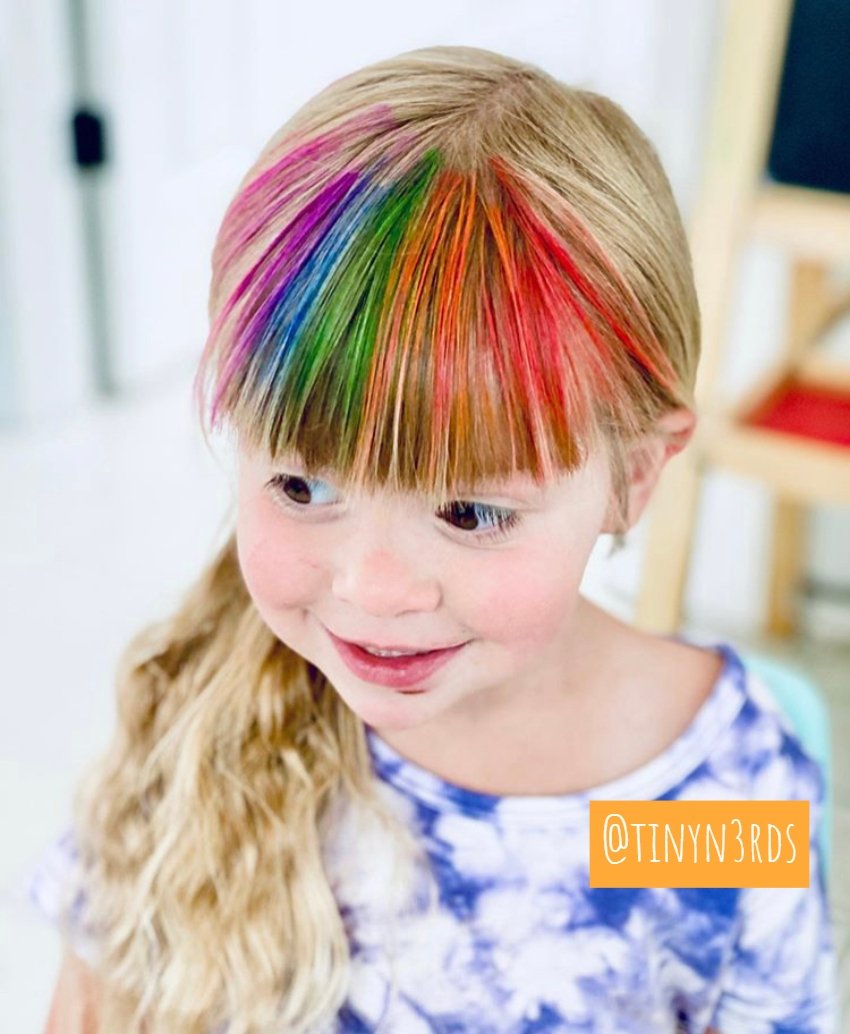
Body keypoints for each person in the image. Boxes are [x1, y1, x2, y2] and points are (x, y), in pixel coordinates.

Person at [26, 44, 836, 1034]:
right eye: (302, 483)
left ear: (632, 472)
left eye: (469, 512)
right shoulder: (197, 709)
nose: (370, 587)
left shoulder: (696, 807)